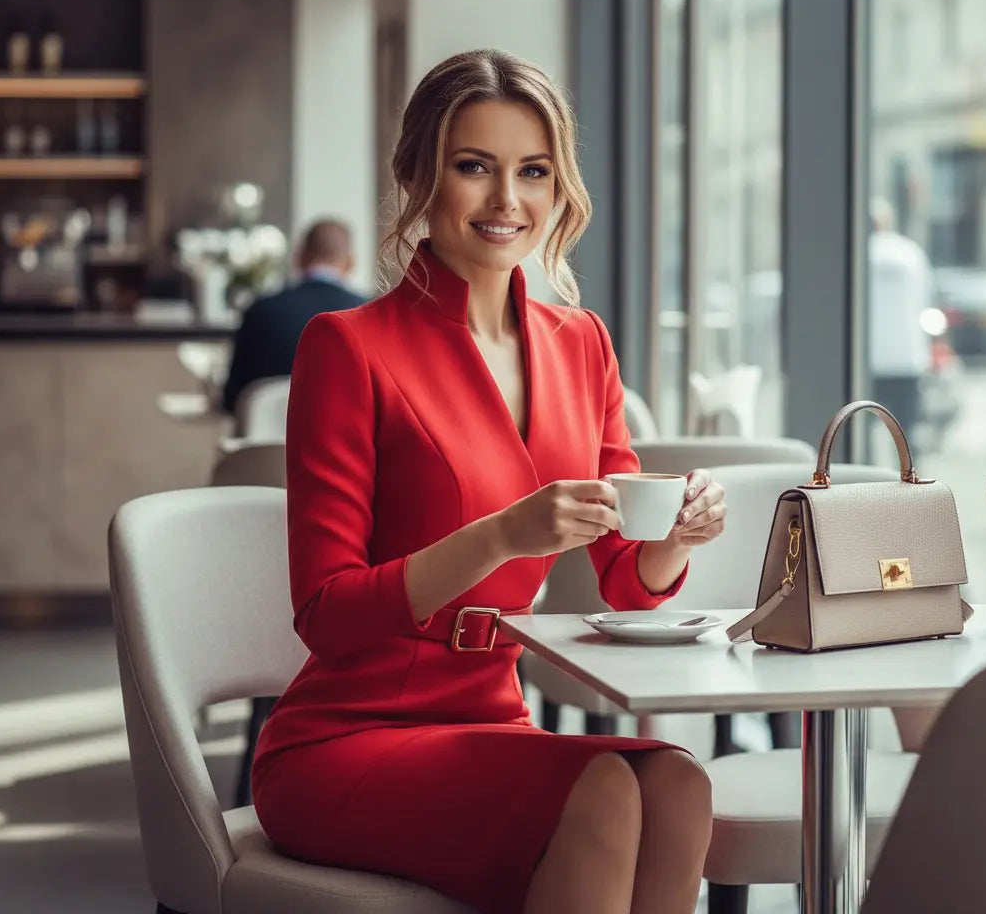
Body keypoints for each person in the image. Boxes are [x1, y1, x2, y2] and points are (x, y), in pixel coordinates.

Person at [252, 49, 726, 914]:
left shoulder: (581, 344)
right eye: (475, 167)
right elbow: (324, 610)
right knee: (609, 792)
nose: (509, 201)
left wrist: (676, 534)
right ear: (419, 178)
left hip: (490, 716)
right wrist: (503, 536)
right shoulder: (347, 346)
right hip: (349, 735)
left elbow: (630, 582)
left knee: (681, 785)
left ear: (558, 187)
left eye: (533, 172)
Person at [220, 218, 367, 413]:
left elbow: (231, 397)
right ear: (350, 261)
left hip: (264, 441)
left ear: (299, 256)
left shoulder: (261, 310)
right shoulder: (367, 312)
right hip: (342, 439)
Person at [868, 197, 934, 441]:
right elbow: (925, 301)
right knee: (906, 434)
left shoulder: (855, 253)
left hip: (868, 360)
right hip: (906, 358)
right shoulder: (910, 253)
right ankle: (910, 476)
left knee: (860, 427)